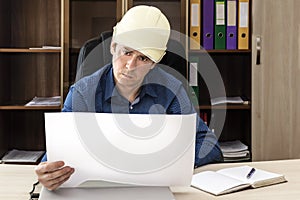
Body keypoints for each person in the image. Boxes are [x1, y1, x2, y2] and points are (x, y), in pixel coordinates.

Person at [35, 5, 223, 191]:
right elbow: (56, 154)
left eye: (143, 58)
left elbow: (209, 144)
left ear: (153, 63)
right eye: (127, 52)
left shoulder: (172, 91)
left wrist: (172, 163)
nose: (130, 65)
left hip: (154, 190)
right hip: (97, 192)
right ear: (113, 46)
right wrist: (49, 174)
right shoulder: (83, 93)